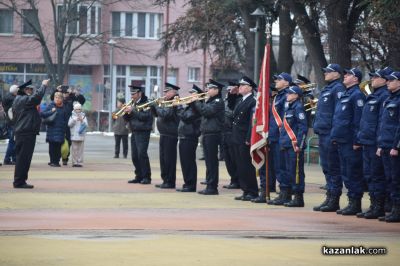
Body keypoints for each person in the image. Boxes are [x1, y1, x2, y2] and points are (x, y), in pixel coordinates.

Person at [356, 67, 392, 219]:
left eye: (376, 77)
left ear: (384, 80)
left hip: (375, 142)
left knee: (377, 175)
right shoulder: (374, 95)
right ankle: (373, 205)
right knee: (369, 174)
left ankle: (379, 206)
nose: (372, 79)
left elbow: (380, 122)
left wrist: (379, 144)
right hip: (367, 140)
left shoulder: (384, 96)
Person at [331, 67, 366, 216]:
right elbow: (339, 119)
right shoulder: (346, 94)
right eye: (345, 74)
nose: (345, 76)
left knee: (353, 172)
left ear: (356, 79)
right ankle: (351, 201)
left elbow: (359, 121)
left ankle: (355, 203)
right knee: (345, 172)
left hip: (351, 141)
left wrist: (357, 140)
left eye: (349, 74)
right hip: (342, 140)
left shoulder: (357, 95)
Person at [313, 64, 345, 212]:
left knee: (333, 168)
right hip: (323, 133)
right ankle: (329, 196)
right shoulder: (327, 89)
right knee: (326, 168)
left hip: (330, 134)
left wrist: (334, 134)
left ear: (337, 74)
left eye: (329, 71)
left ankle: (334, 199)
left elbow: (338, 114)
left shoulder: (338, 89)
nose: (325, 73)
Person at [12, 79, 50, 188]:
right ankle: (19, 182)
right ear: (25, 90)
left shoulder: (19, 99)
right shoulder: (23, 99)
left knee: (22, 158)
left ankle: (20, 181)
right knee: (24, 159)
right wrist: (43, 85)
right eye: (29, 89)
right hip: (26, 133)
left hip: (23, 132)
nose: (31, 91)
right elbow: (36, 98)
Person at [191, 79, 225, 195]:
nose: (207, 90)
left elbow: (206, 112)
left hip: (213, 134)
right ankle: (209, 184)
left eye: (210, 88)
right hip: (206, 133)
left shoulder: (218, 101)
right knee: (208, 161)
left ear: (216, 90)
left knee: (212, 161)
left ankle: (212, 187)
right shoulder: (209, 101)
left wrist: (196, 101)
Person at [376, 71, 400, 223]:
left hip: (394, 146)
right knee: (389, 179)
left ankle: (397, 210)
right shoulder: (389, 98)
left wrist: (396, 146)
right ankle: (392, 207)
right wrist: (380, 144)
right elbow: (383, 124)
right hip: (385, 144)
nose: (388, 82)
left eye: (392, 80)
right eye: (388, 80)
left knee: (396, 179)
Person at [280, 86, 308, 207]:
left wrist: (300, 145)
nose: (287, 95)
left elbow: (303, 127)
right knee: (288, 171)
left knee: (296, 172)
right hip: (286, 144)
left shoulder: (298, 108)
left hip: (294, 145)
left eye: (290, 93)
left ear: (296, 95)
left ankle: (298, 198)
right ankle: (291, 196)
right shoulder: (289, 108)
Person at [232, 76, 258, 201]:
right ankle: (245, 190)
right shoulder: (241, 100)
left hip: (244, 138)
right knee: (240, 165)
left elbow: (251, 122)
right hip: (237, 137)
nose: (240, 87)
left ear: (250, 88)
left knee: (247, 165)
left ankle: (252, 191)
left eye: (242, 85)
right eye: (240, 85)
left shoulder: (253, 101)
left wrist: (249, 138)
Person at [267, 73, 292, 205]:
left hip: (281, 136)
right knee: (278, 166)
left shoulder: (287, 96)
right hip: (275, 136)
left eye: (279, 79)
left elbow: (285, 119)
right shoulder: (279, 96)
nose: (276, 81)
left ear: (287, 83)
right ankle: (283, 193)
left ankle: (285, 193)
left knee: (282, 166)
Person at [152, 82, 180, 189]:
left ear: (173, 92)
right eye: (165, 92)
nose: (165, 93)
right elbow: (157, 114)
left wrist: (157, 106)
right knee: (163, 159)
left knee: (169, 159)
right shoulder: (166, 101)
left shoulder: (174, 101)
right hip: (164, 133)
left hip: (171, 134)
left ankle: (170, 181)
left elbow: (165, 114)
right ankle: (165, 179)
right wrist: (153, 107)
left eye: (167, 91)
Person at [124, 83, 153, 185]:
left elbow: (145, 116)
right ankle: (139, 175)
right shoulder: (134, 103)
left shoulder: (146, 103)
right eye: (131, 94)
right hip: (134, 131)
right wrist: (126, 113)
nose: (132, 96)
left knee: (142, 154)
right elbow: (129, 118)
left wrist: (133, 110)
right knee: (135, 155)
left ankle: (146, 177)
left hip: (143, 131)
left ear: (140, 93)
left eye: (134, 94)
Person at [175, 85, 202, 192]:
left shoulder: (196, 108)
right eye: (190, 94)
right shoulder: (190, 106)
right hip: (184, 136)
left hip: (190, 137)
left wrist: (178, 106)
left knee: (189, 162)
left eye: (193, 94)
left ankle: (191, 185)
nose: (190, 96)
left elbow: (186, 117)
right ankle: (187, 183)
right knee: (184, 162)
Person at [51, 85, 86, 165]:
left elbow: (82, 101)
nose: (65, 94)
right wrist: (56, 89)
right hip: (60, 124)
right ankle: (59, 157)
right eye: (63, 93)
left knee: (69, 142)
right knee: (59, 141)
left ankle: (65, 157)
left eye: (66, 93)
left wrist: (73, 93)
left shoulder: (72, 99)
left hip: (70, 125)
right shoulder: (59, 100)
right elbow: (52, 98)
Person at [41, 92, 69, 167]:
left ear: (62, 99)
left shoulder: (64, 107)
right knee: (51, 147)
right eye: (56, 98)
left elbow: (66, 119)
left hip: (60, 130)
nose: (57, 99)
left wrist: (65, 129)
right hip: (51, 129)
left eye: (59, 98)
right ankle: (52, 161)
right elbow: (43, 114)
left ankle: (56, 161)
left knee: (58, 147)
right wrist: (51, 111)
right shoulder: (51, 105)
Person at [222, 81, 241, 189]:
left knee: (234, 158)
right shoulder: (228, 101)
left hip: (232, 132)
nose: (229, 92)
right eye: (228, 90)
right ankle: (233, 179)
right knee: (228, 159)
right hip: (225, 132)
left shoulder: (238, 101)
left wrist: (223, 111)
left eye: (231, 90)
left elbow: (233, 114)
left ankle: (236, 180)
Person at [2, 84, 18, 165]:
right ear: (15, 92)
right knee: (13, 141)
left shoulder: (7, 97)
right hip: (13, 122)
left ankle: (11, 159)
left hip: (9, 122)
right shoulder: (13, 99)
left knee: (13, 141)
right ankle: (8, 159)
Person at [68, 103, 88, 167]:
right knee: (74, 150)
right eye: (76, 109)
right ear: (74, 109)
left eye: (79, 109)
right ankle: (74, 162)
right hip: (74, 136)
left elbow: (86, 125)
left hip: (81, 136)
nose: (78, 110)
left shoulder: (83, 116)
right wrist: (74, 120)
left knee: (80, 150)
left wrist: (82, 120)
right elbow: (69, 125)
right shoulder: (72, 116)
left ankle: (80, 162)